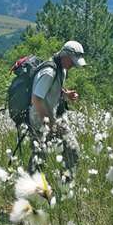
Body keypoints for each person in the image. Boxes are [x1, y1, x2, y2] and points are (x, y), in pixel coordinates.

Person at [27, 40, 86, 176]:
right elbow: (36, 99)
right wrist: (48, 123)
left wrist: (66, 95)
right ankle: (29, 189)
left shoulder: (62, 70)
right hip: (40, 122)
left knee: (73, 151)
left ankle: (64, 185)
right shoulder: (49, 72)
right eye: (72, 61)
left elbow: (51, 91)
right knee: (39, 161)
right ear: (64, 55)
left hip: (53, 119)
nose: (73, 65)